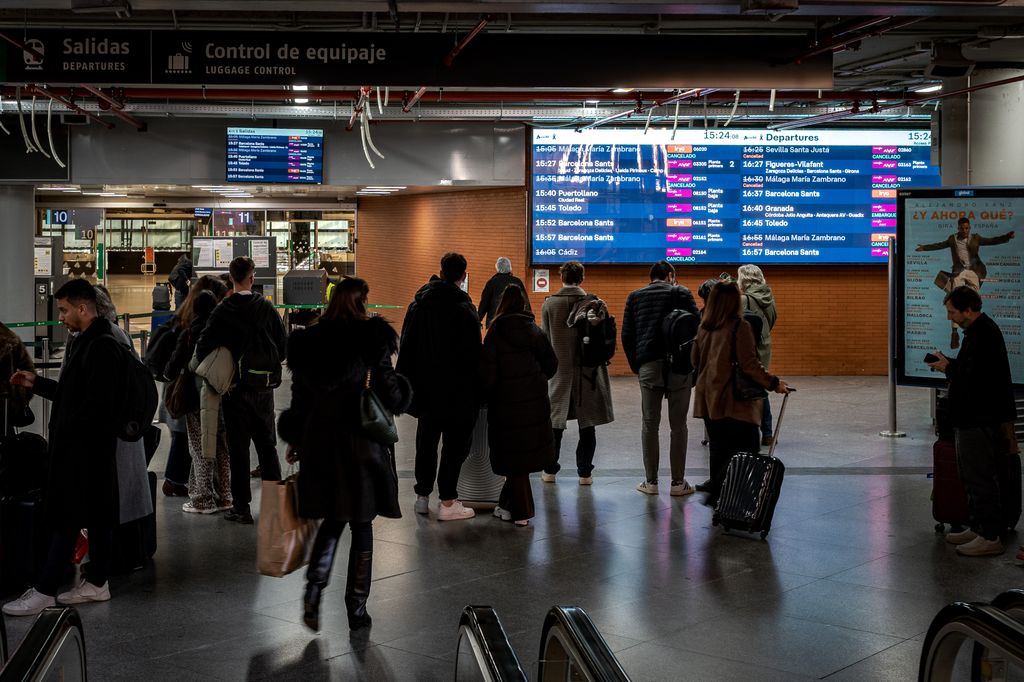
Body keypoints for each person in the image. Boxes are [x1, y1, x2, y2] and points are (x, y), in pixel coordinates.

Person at [278, 277, 412, 632]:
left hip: (320, 443)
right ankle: (356, 607)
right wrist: (404, 390)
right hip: (360, 443)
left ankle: (313, 590)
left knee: (333, 519)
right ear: (361, 302)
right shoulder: (372, 338)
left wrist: (295, 438)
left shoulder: (307, 341)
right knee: (362, 523)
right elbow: (390, 392)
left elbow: (299, 400)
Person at [3, 280, 124, 616]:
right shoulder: (91, 340)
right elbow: (76, 395)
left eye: (64, 310)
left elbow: (97, 405)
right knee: (97, 515)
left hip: (82, 450)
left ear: (83, 309)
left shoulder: (101, 346)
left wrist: (69, 432)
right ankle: (98, 582)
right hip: (91, 449)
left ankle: (44, 590)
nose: (61, 317)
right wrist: (36, 382)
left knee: (65, 517)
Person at [195, 256, 287, 525]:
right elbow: (282, 346)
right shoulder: (266, 308)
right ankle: (274, 508)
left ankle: (242, 508)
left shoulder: (223, 310)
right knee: (267, 446)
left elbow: (203, 346)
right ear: (252, 277)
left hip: (235, 389)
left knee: (239, 449)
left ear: (231, 278)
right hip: (263, 389)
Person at [927, 286, 1017, 557]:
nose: (950, 317)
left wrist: (949, 368)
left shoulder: (984, 334)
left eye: (952, 311)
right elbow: (972, 369)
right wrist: (951, 363)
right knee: (970, 475)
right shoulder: (978, 333)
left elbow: (976, 379)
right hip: (972, 416)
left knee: (980, 476)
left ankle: (990, 536)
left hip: (979, 418)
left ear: (968, 310)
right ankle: (978, 526)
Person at [396, 253, 481, 521]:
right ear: (463, 276)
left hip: (426, 389)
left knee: (426, 441)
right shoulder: (465, 309)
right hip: (457, 391)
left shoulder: (419, 304)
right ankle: (447, 501)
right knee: (454, 446)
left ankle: (422, 496)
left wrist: (406, 386)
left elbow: (406, 347)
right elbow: (473, 355)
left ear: (441, 272)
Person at [691, 281, 789, 508]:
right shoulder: (739, 326)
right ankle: (734, 497)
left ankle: (718, 494)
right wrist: (774, 383)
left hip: (708, 398)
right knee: (748, 447)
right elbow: (750, 365)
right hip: (731, 398)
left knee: (718, 448)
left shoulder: (704, 327)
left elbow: (694, 361)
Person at [481, 285, 558, 527]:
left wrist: (486, 396)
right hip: (534, 403)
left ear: (502, 304)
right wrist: (535, 381)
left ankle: (522, 513)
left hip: (505, 405)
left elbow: (488, 375)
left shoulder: (495, 333)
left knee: (514, 458)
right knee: (521, 456)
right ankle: (505, 506)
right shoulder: (534, 331)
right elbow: (552, 364)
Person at [622, 260, 699, 496]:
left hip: (649, 366)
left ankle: (651, 482)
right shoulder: (682, 292)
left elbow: (627, 335)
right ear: (669, 276)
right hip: (679, 367)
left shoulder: (635, 296)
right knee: (679, 426)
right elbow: (697, 329)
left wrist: (638, 365)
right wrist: (693, 367)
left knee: (649, 425)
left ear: (652, 276)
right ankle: (678, 483)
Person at [540, 261, 614, 485]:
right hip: (589, 374)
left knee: (555, 424)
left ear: (561, 277)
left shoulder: (549, 305)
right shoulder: (596, 303)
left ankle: (550, 470)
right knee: (587, 423)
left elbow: (545, 341)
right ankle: (585, 473)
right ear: (581, 278)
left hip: (559, 371)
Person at [165, 275, 232, 514]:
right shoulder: (225, 329)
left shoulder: (192, 332)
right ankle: (225, 495)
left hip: (197, 397)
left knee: (200, 446)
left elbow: (174, 365)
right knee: (222, 446)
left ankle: (202, 499)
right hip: (223, 393)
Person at [916, 217, 1015, 349]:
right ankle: (954, 332)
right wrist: (924, 248)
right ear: (958, 228)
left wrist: (1006, 237)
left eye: (967, 228)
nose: (965, 230)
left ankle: (977, 328)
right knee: (955, 297)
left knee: (975, 298)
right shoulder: (953, 239)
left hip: (974, 271)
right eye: (962, 228)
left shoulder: (976, 238)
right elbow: (940, 245)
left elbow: (992, 241)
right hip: (959, 271)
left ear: (970, 228)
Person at [737, 264, 778, 447]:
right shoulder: (769, 298)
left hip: (748, 348)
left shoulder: (744, 299)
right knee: (760, 387)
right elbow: (772, 321)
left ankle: (752, 429)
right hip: (764, 346)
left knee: (750, 388)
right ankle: (767, 433)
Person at [0, 321, 35, 435]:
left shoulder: (9, 340)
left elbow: (27, 374)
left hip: (5, 411)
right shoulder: (10, 339)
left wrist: (16, 400)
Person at [478, 257, 532, 328]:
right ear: (510, 267)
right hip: (515, 323)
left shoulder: (492, 282)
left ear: (497, 268)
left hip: (495, 323)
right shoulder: (517, 282)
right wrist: (530, 320)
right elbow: (526, 303)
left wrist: (478, 320)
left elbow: (484, 303)